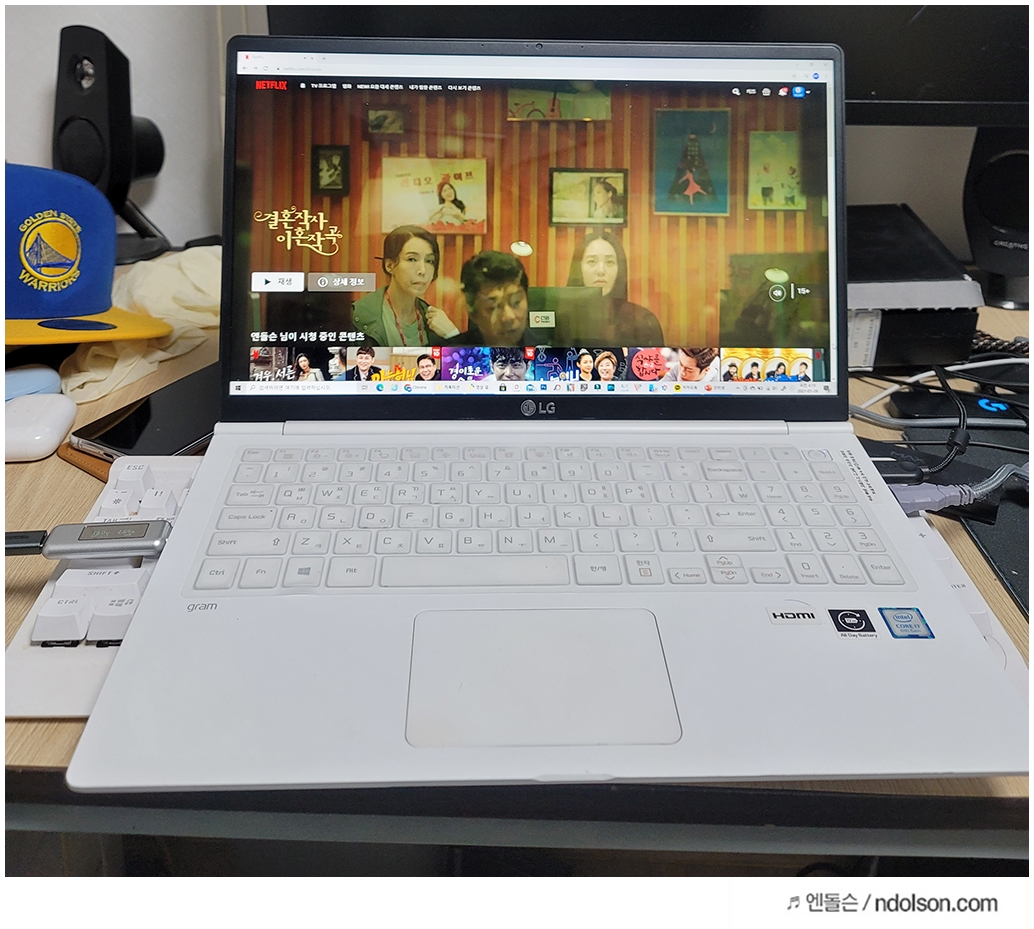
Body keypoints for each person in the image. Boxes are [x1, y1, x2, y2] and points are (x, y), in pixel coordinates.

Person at [350, 225, 458, 347]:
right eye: (412, 259)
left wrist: (452, 335)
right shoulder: (359, 316)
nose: (422, 270)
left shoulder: (434, 320)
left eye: (429, 261)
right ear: (390, 265)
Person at [567, 232, 664, 346]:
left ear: (619, 270)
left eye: (609, 262)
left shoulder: (643, 321)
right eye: (592, 261)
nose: (601, 270)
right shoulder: (562, 319)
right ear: (578, 268)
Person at [453, 250, 536, 346]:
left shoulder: (546, 348)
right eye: (493, 307)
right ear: (473, 314)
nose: (509, 317)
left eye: (516, 302)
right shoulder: (450, 352)